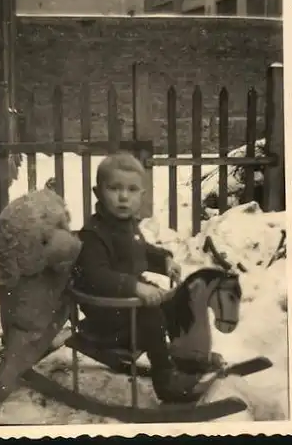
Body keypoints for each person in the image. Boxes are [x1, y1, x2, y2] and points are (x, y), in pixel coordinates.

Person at [72, 151, 206, 403]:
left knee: (173, 302)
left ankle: (183, 357)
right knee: (152, 314)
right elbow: (95, 276)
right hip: (105, 316)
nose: (123, 196)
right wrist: (135, 286)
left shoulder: (128, 225)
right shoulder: (93, 233)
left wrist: (164, 260)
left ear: (142, 196)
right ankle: (166, 382)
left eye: (132, 190)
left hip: (125, 306)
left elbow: (140, 250)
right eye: (114, 188)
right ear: (97, 192)